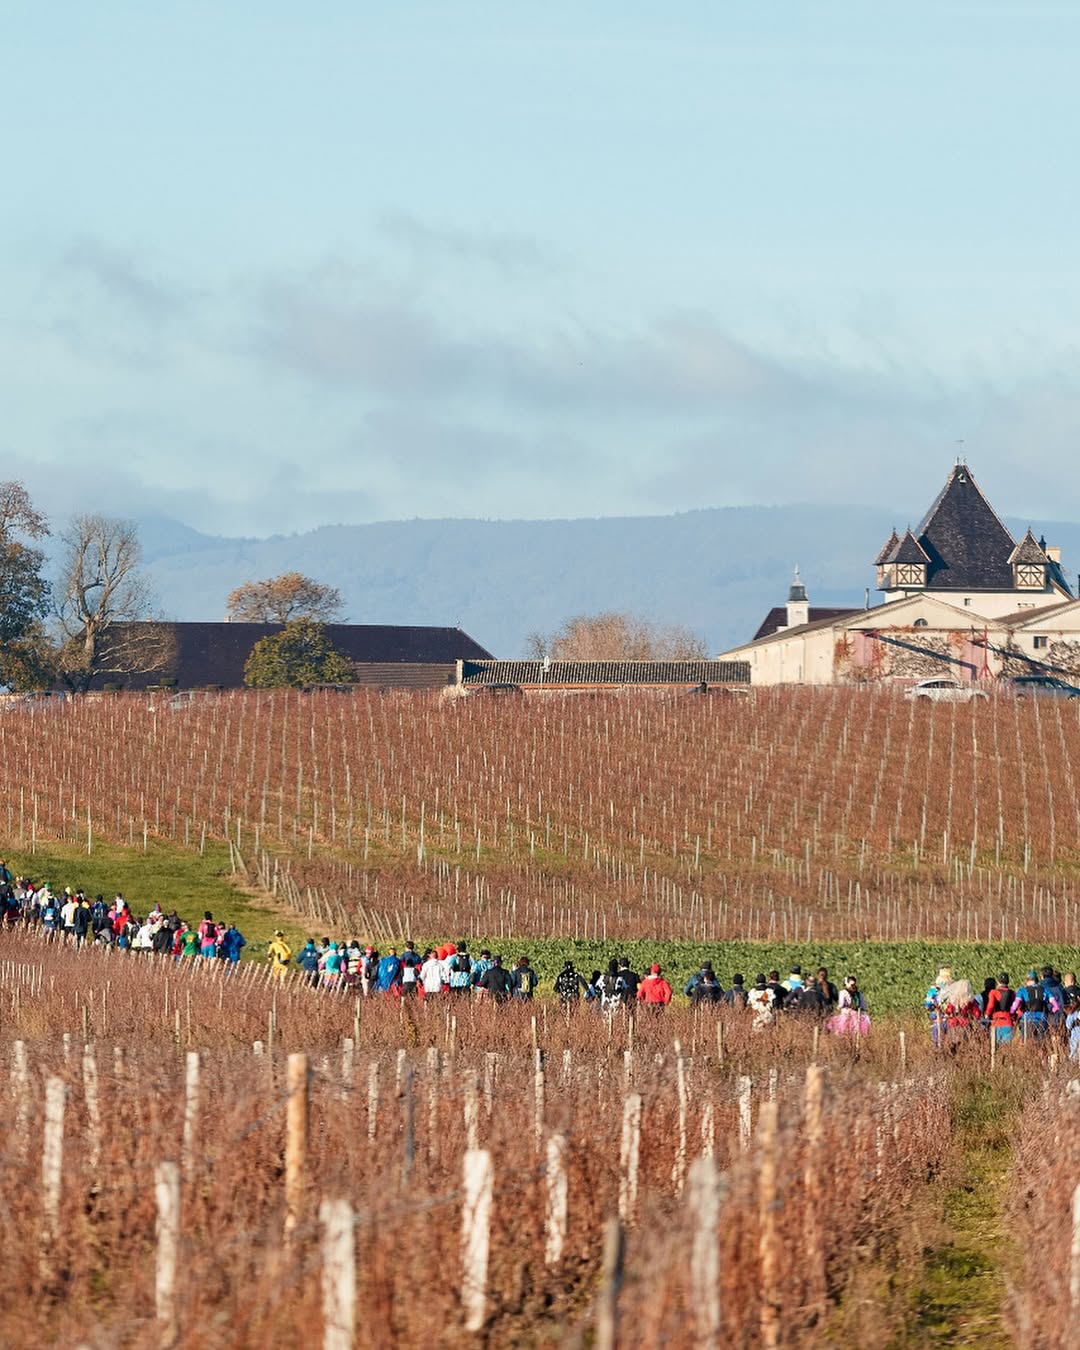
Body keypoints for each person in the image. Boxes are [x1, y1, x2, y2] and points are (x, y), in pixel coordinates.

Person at [983, 973, 1016, 1043]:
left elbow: (991, 1006)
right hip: (1008, 1022)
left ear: (998, 982)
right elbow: (1015, 1007)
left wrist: (986, 1014)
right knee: (1007, 1048)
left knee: (995, 1047)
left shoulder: (993, 992)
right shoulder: (1012, 993)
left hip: (996, 1022)